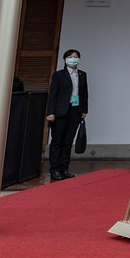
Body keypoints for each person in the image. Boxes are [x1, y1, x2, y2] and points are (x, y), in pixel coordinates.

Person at [45, 49, 88, 181]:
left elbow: (84, 93)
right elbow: (53, 94)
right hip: (60, 112)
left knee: (68, 141)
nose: (73, 59)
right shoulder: (59, 75)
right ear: (64, 60)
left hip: (75, 111)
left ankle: (64, 168)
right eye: (70, 57)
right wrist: (50, 112)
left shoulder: (82, 74)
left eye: (75, 57)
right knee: (57, 141)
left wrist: (84, 110)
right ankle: (55, 170)